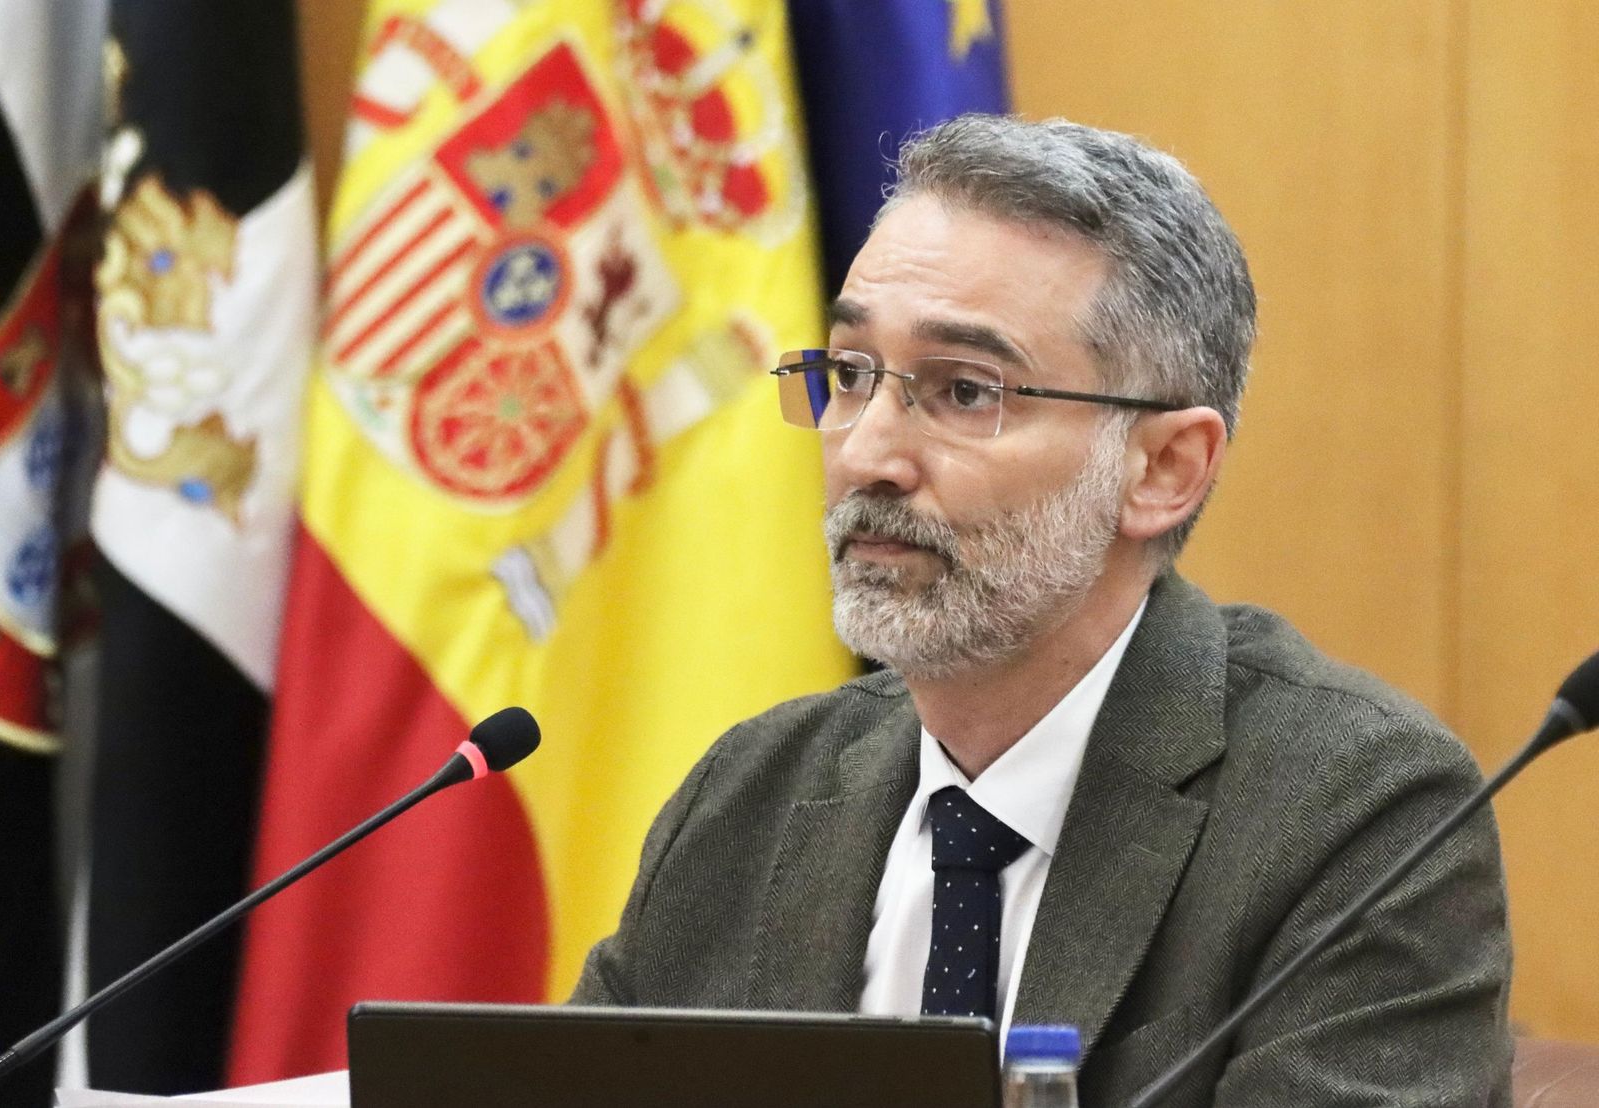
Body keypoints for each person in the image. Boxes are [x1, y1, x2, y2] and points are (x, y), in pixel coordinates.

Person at [571, 115, 1512, 1106]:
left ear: (1161, 470)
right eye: (849, 374)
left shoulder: (1355, 816)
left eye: (965, 391)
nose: (866, 453)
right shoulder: (749, 796)